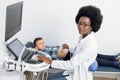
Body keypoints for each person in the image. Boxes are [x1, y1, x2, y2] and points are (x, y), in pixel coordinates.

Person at [37, 5, 103, 80]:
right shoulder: (83, 37)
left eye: (85, 24)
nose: (80, 26)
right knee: (48, 78)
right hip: (72, 71)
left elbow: (71, 64)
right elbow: (79, 53)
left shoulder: (90, 44)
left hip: (78, 76)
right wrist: (69, 49)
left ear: (92, 26)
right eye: (79, 23)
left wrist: (50, 61)